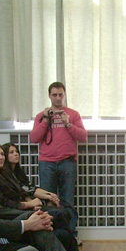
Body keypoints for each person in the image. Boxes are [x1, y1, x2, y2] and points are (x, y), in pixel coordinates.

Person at [29, 82, 86, 236]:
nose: (58, 98)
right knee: (48, 201)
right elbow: (34, 138)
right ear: (49, 96)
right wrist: (45, 121)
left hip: (68, 162)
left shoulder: (73, 114)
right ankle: (50, 235)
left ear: (64, 95)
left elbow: (83, 136)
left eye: (61, 94)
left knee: (68, 201)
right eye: (54, 95)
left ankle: (71, 235)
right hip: (47, 162)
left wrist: (68, 124)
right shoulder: (41, 116)